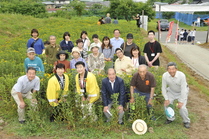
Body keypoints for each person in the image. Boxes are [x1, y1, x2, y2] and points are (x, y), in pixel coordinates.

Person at [162, 62, 190, 128]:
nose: (171, 71)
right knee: (166, 104)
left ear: (176, 69)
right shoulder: (165, 76)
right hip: (171, 91)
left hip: (181, 92)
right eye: (169, 69)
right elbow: (163, 87)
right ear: (167, 70)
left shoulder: (182, 75)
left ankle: (186, 121)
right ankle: (170, 118)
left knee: (182, 107)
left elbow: (184, 89)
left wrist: (181, 101)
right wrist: (166, 98)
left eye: (173, 69)